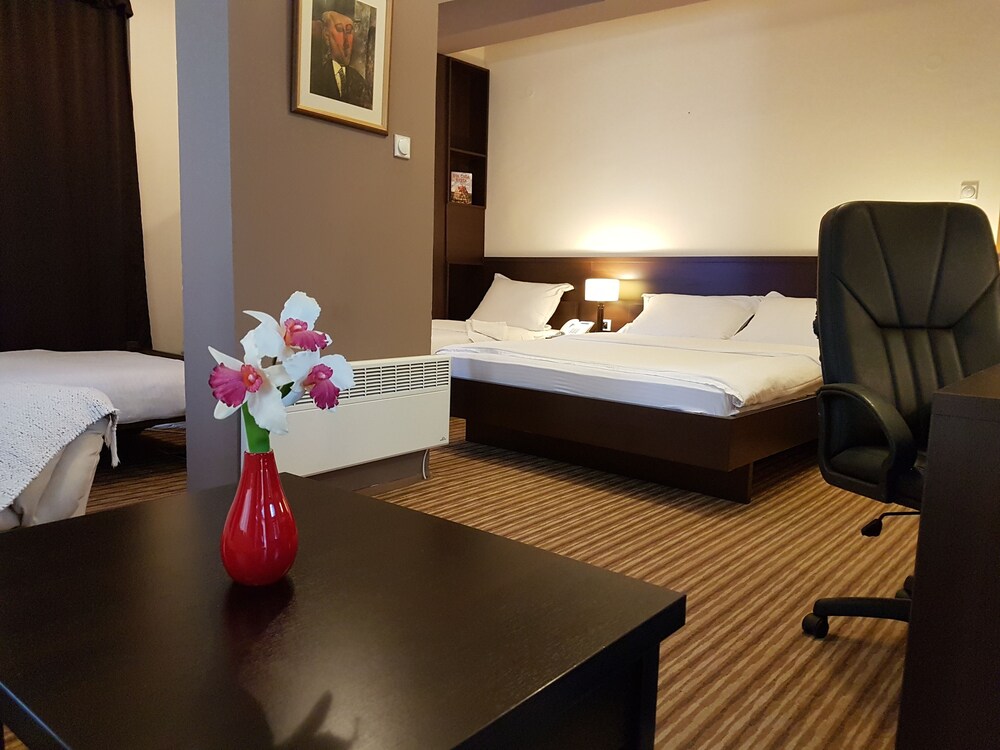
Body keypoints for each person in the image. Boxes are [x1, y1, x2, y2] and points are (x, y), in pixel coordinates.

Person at [310, 0, 373, 109]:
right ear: (326, 35)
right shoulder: (316, 78)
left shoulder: (359, 82)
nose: (346, 41)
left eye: (349, 31)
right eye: (339, 30)